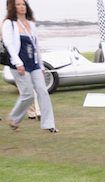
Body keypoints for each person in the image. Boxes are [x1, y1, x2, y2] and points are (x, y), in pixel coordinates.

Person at [2, 0, 57, 132]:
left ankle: (49, 124)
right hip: (19, 65)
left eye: (23, 4)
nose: (22, 7)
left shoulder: (31, 24)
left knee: (43, 92)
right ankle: (14, 118)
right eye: (18, 5)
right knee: (27, 95)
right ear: (12, 8)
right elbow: (9, 44)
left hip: (34, 64)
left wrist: (41, 64)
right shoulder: (9, 23)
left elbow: (36, 45)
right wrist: (18, 63)